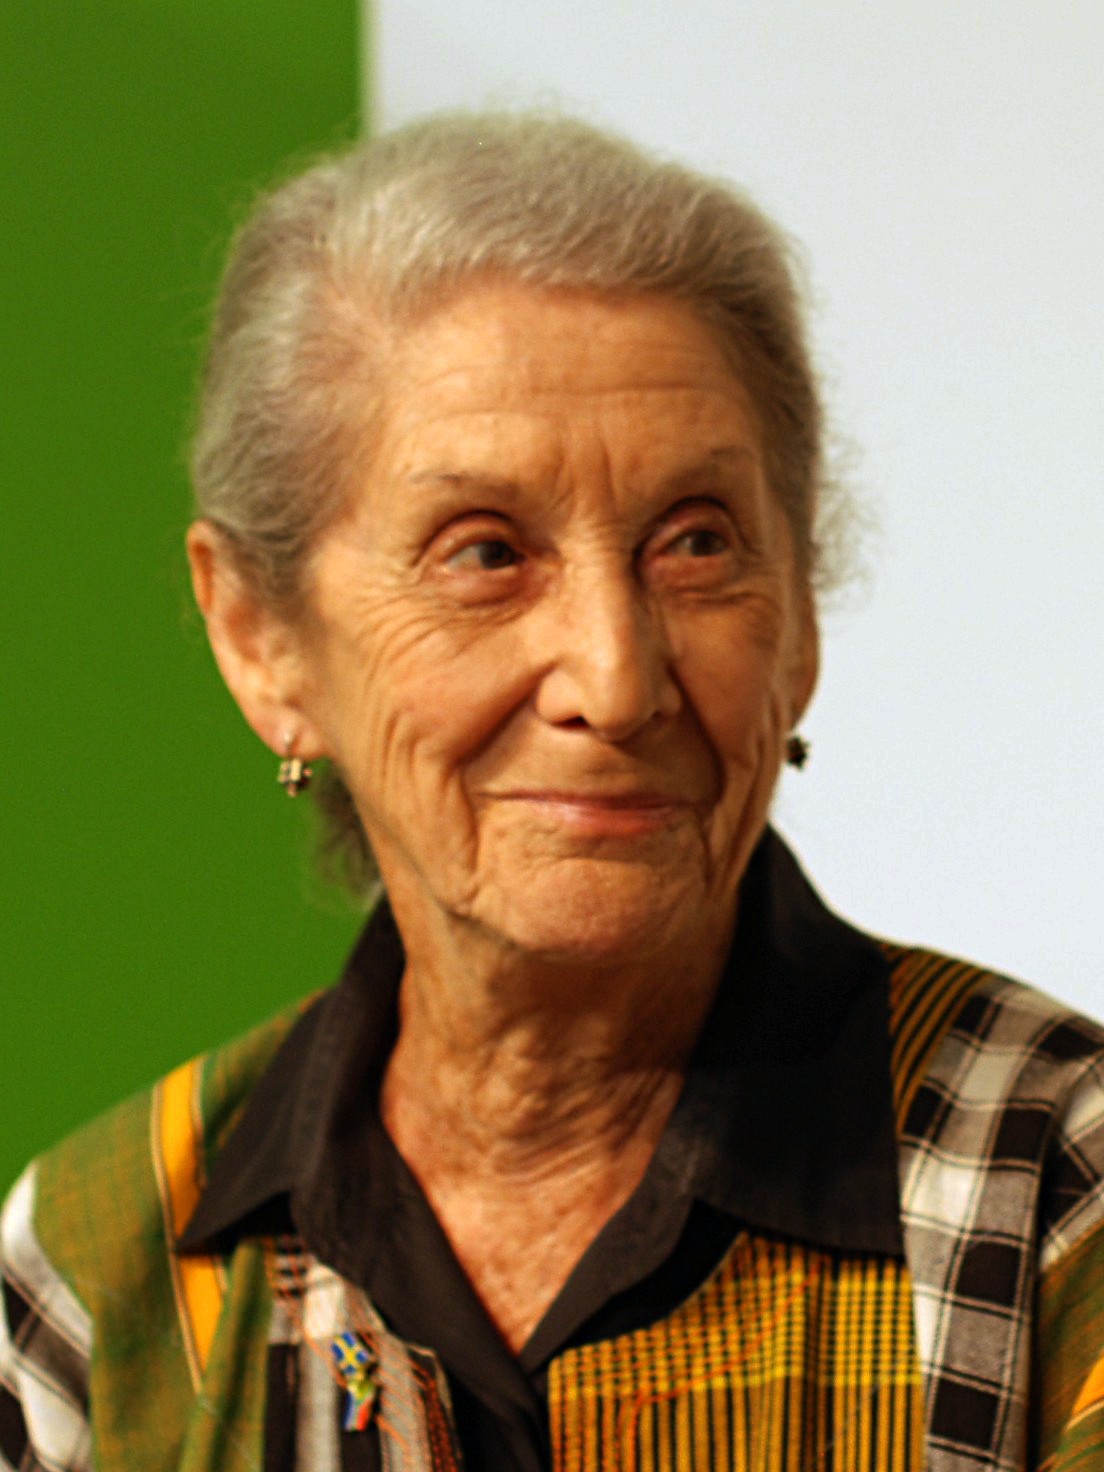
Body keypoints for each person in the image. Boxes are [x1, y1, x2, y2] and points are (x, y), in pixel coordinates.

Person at [1, 111, 1101, 1472]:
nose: (615, 675)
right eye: (484, 553)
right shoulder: (103, 1274)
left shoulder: (1060, 1189)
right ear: (260, 638)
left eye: (696, 543)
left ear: (801, 618)